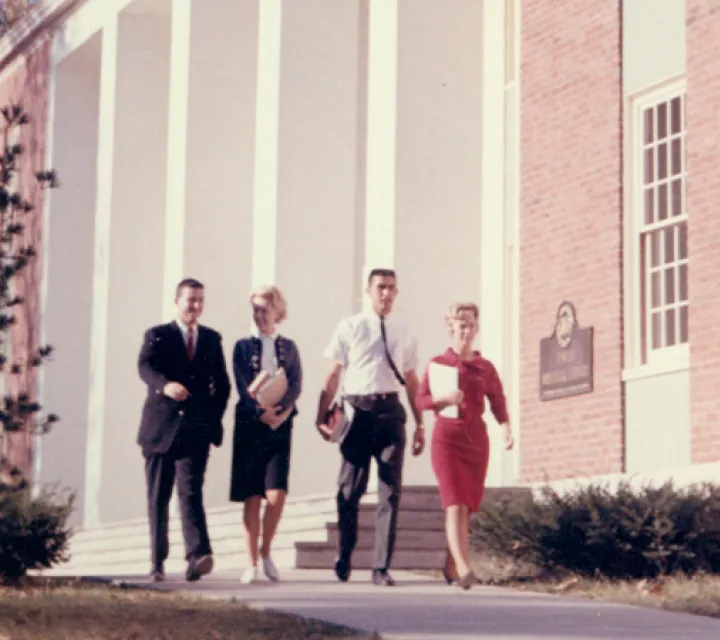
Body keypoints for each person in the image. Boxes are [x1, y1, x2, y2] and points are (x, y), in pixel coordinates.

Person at [315, 268, 425, 587]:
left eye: (392, 288)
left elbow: (412, 380)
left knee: (390, 491)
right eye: (381, 288)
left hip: (391, 412)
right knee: (349, 489)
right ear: (368, 290)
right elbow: (333, 373)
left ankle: (380, 567)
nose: (386, 294)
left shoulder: (404, 330)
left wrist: (420, 424)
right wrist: (321, 415)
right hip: (357, 412)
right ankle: (344, 553)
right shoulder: (350, 326)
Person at [137, 278, 231, 582]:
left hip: (195, 430)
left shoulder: (211, 339)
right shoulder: (158, 335)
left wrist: (212, 418)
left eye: (200, 300)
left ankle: (198, 556)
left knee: (191, 492)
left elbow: (223, 385)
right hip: (160, 428)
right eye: (190, 300)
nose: (195, 306)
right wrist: (165, 386)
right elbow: (145, 367)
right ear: (177, 301)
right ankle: (157, 562)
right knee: (158, 497)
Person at [415, 302, 514, 590]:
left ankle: (450, 563)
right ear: (451, 328)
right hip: (446, 439)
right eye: (461, 325)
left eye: (471, 324)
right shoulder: (437, 364)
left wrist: (505, 427)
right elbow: (421, 401)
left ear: (477, 328)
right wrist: (443, 399)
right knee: (454, 502)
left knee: (467, 506)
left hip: (475, 441)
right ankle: (464, 566)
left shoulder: (485, 367)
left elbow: (497, 400)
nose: (466, 330)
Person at [229, 285, 302, 584]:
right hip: (251, 423)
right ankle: (250, 562)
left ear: (276, 311)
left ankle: (266, 550)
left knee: (276, 493)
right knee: (252, 495)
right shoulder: (242, 346)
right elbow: (242, 384)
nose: (260, 315)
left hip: (280, 424)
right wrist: (260, 412)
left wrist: (281, 410)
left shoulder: (289, 347)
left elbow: (296, 383)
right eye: (255, 309)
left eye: (264, 309)